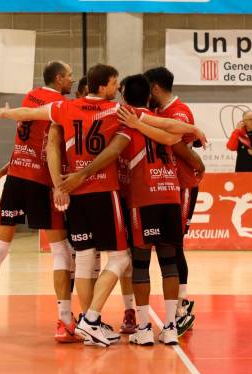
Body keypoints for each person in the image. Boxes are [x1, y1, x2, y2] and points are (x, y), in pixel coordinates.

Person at [0, 61, 81, 343]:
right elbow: (50, 147)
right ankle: (64, 321)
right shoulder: (58, 105)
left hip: (16, 178)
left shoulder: (30, 97)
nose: (72, 81)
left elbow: (24, 144)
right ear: (59, 79)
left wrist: (4, 171)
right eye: (70, 77)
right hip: (41, 181)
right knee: (61, 251)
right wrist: (58, 185)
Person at [61, 74, 186, 345]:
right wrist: (196, 137)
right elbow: (184, 143)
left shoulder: (126, 121)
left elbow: (111, 152)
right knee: (169, 262)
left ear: (125, 95)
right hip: (171, 196)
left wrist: (79, 175)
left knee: (137, 262)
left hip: (143, 198)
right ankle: (171, 326)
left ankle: (141, 327)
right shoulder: (160, 124)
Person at [144, 66, 204, 337]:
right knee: (166, 245)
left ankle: (181, 307)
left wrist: (197, 163)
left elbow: (179, 145)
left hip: (182, 185)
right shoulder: (158, 111)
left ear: (155, 87)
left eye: (148, 88)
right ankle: (180, 302)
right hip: (165, 185)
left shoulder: (178, 111)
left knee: (175, 244)